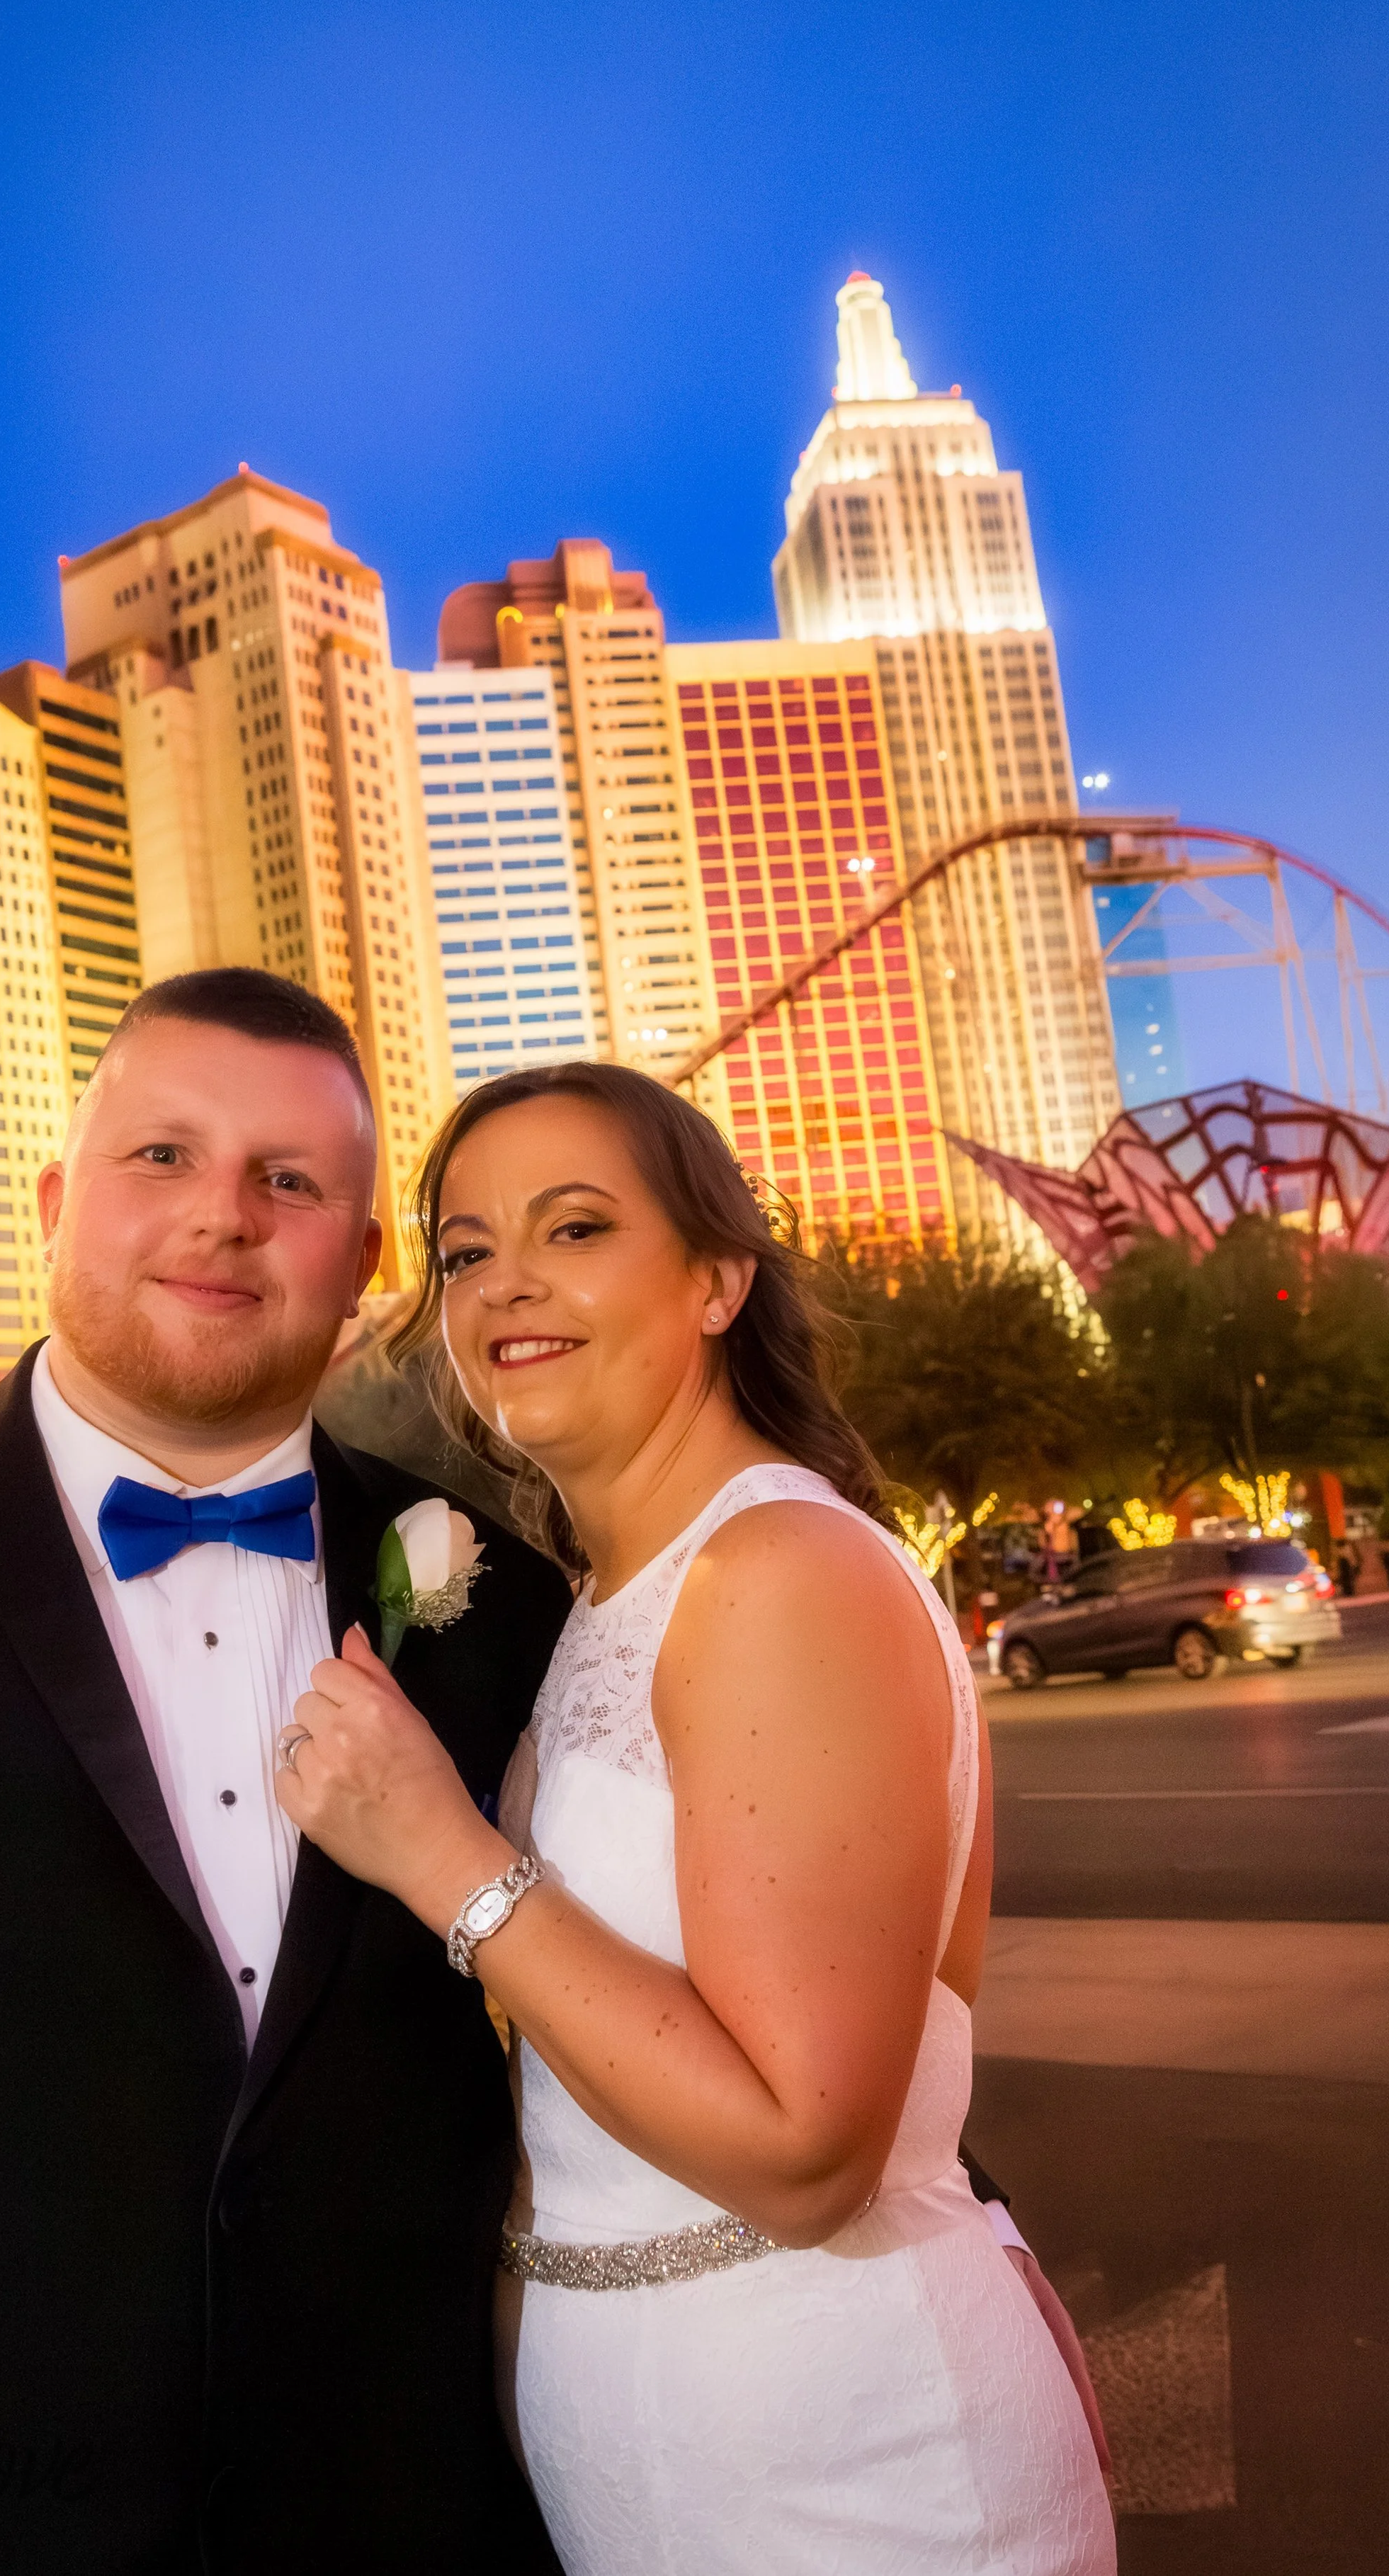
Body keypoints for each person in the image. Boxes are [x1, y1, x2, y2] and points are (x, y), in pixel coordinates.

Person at [0, 971, 567, 2573]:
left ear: (359, 1264)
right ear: (59, 1200)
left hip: (391, 2528)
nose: (223, 1217)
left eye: (287, 1182)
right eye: (163, 1157)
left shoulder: (500, 1601)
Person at [276, 1062, 1116, 2575]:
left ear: (718, 1279)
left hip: (847, 2477)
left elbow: (805, 2150)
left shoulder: (780, 1575)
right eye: (465, 1251)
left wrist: (441, 1855)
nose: (504, 1284)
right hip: (650, 2466)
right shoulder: (604, 1600)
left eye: (576, 1228)